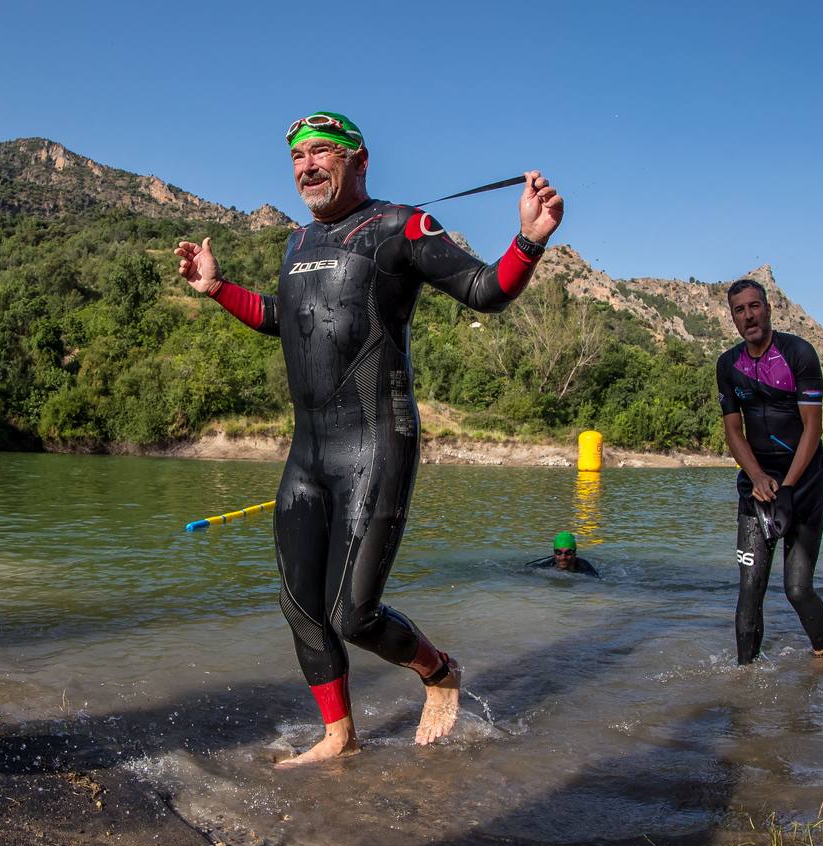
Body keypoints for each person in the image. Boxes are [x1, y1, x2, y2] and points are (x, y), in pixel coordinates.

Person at [175, 112, 563, 766]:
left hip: (374, 444)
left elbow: (482, 290)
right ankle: (339, 736)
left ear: (358, 159)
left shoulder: (399, 227)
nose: (305, 166)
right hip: (307, 455)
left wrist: (527, 240)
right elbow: (287, 320)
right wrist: (217, 290)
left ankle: (438, 673)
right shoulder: (297, 241)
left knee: (352, 614)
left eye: (320, 152)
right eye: (296, 157)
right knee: (300, 604)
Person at [716, 278, 823, 664]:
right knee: (750, 590)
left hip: (804, 483)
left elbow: (812, 428)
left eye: (754, 306)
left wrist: (788, 486)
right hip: (758, 485)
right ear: (732, 317)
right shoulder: (728, 366)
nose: (748, 315)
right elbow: (734, 431)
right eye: (739, 310)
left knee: (797, 590)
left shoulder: (798, 353)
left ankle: (822, 654)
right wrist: (758, 478)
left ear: (768, 307)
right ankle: (743, 682)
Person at [527, 531, 600, 577]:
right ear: (554, 554)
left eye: (568, 553)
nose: (563, 557)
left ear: (575, 553)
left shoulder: (585, 567)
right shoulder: (548, 564)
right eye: (558, 552)